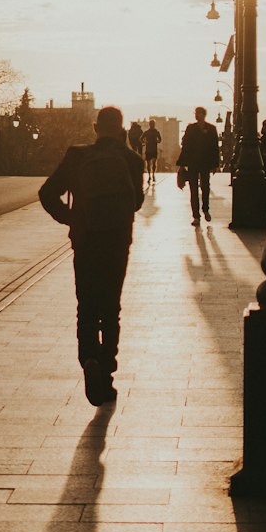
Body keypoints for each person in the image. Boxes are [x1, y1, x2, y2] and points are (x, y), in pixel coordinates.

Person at [39, 105, 145, 407]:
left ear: (96, 128)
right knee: (111, 308)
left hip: (85, 241)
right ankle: (107, 374)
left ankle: (88, 359)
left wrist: (71, 218)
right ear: (122, 129)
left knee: (86, 305)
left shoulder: (77, 156)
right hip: (117, 242)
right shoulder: (132, 159)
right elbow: (135, 202)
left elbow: (47, 192)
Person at [177, 106, 220, 225]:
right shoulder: (191, 128)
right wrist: (182, 164)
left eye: (199, 113)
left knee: (205, 187)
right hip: (193, 163)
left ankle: (205, 209)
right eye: (195, 113)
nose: (196, 115)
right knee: (193, 190)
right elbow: (185, 146)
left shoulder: (211, 129)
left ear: (204, 114)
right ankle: (196, 216)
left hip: (205, 163)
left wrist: (216, 164)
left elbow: (214, 147)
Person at [142, 119, 161, 184]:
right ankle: (151, 176)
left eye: (153, 124)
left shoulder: (152, 132)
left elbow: (160, 140)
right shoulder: (152, 132)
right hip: (151, 149)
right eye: (151, 124)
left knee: (152, 164)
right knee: (151, 164)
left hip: (151, 149)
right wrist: (145, 142)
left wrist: (145, 142)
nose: (152, 125)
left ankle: (152, 176)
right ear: (150, 124)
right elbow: (141, 139)